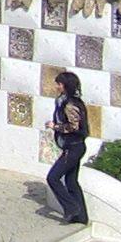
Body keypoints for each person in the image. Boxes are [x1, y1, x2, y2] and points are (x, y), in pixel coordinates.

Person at [48, 70, 90, 224]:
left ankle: (72, 208)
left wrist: (56, 126)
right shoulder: (64, 101)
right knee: (71, 182)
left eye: (59, 84)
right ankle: (81, 217)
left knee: (53, 177)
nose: (57, 87)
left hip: (74, 147)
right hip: (74, 147)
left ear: (64, 86)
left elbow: (74, 126)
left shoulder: (70, 105)